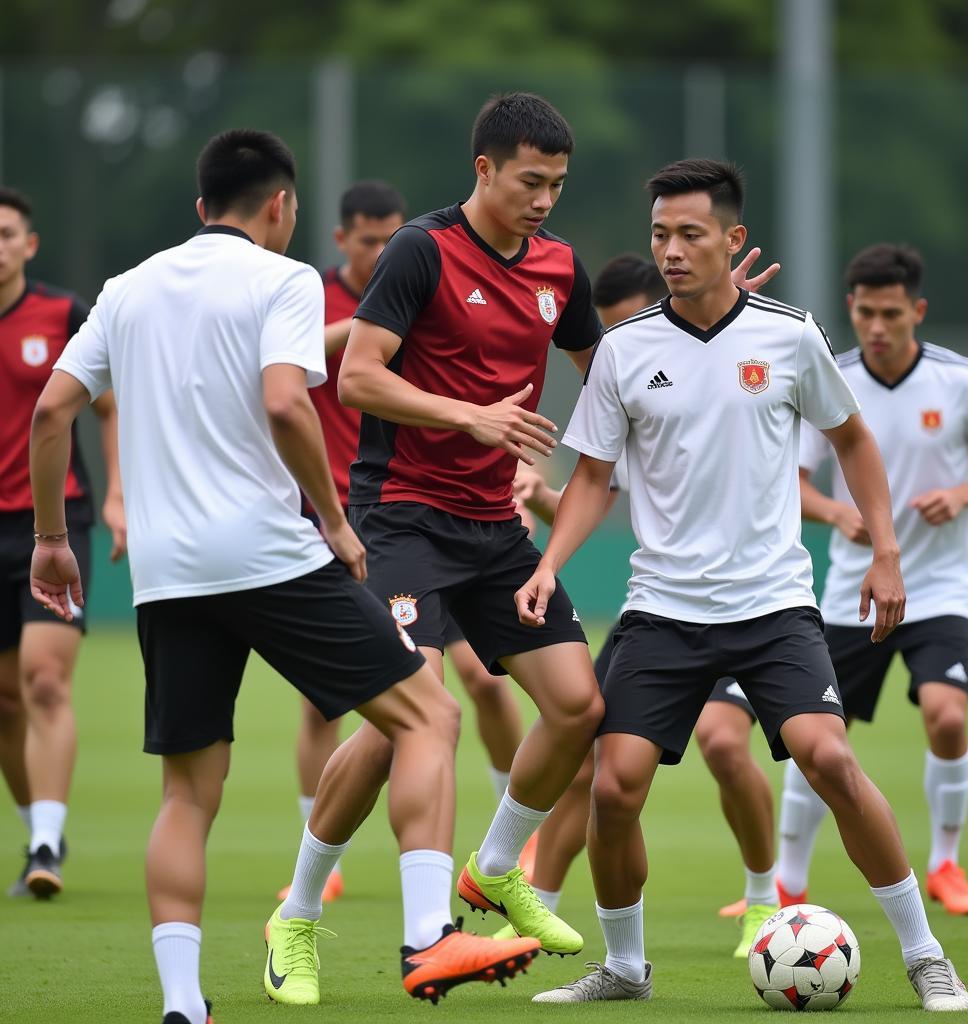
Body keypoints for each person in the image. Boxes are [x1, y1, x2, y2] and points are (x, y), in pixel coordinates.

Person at [28, 129, 538, 1024]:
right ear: (281, 206)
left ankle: (183, 1003)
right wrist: (335, 520)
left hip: (165, 574)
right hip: (269, 554)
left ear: (198, 207)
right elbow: (283, 399)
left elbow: (51, 414)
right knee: (429, 715)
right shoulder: (287, 278)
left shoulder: (125, 290)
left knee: (187, 795)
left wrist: (49, 539)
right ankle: (428, 937)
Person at [522, 159, 968, 1011]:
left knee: (830, 758)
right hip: (660, 611)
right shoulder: (624, 350)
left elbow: (854, 443)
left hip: (772, 608)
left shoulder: (790, 334)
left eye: (691, 234)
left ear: (732, 240)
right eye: (660, 235)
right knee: (614, 786)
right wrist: (550, 564)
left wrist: (885, 552)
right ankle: (624, 969)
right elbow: (589, 479)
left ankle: (924, 955)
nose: (673, 251)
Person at [269, 93, 608, 994]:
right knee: (413, 725)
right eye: (530, 182)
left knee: (578, 707)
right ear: (484, 170)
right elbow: (357, 377)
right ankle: (299, 916)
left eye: (559, 186)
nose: (544, 200)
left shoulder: (560, 268)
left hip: (496, 527)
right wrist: (472, 418)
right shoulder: (421, 249)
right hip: (404, 518)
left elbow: (603, 370)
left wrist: (715, 315)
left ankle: (495, 869)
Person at [506, 251, 783, 959]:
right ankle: (536, 914)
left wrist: (729, 321)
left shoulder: (730, 348)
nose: (615, 349)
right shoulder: (628, 374)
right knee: (587, 767)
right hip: (663, 603)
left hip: (748, 596)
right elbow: (603, 485)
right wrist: (536, 500)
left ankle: (762, 899)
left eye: (628, 327)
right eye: (605, 336)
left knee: (724, 744)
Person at [279, 179, 531, 902]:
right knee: (350, 704)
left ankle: (507, 841)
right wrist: (373, 320)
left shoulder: (431, 280)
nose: (384, 252)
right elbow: (301, 372)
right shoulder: (314, 300)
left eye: (394, 238)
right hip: (342, 514)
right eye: (369, 242)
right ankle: (319, 875)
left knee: (480, 684)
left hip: (438, 516)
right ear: (342, 241)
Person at [778, 243, 968, 915]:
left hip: (940, 587)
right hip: (851, 595)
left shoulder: (961, 381)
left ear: (916, 310)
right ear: (851, 311)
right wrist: (837, 513)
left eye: (890, 314)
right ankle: (786, 884)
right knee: (819, 738)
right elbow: (792, 484)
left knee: (947, 715)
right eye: (864, 314)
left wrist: (965, 495)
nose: (877, 328)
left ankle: (946, 862)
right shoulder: (831, 380)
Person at [0, 186, 126, 899]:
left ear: (29, 244)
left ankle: (46, 844)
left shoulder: (62, 314)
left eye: (6, 233)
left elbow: (107, 407)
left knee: (44, 680)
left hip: (55, 519)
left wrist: (115, 492)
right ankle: (37, 826)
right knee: (4, 703)